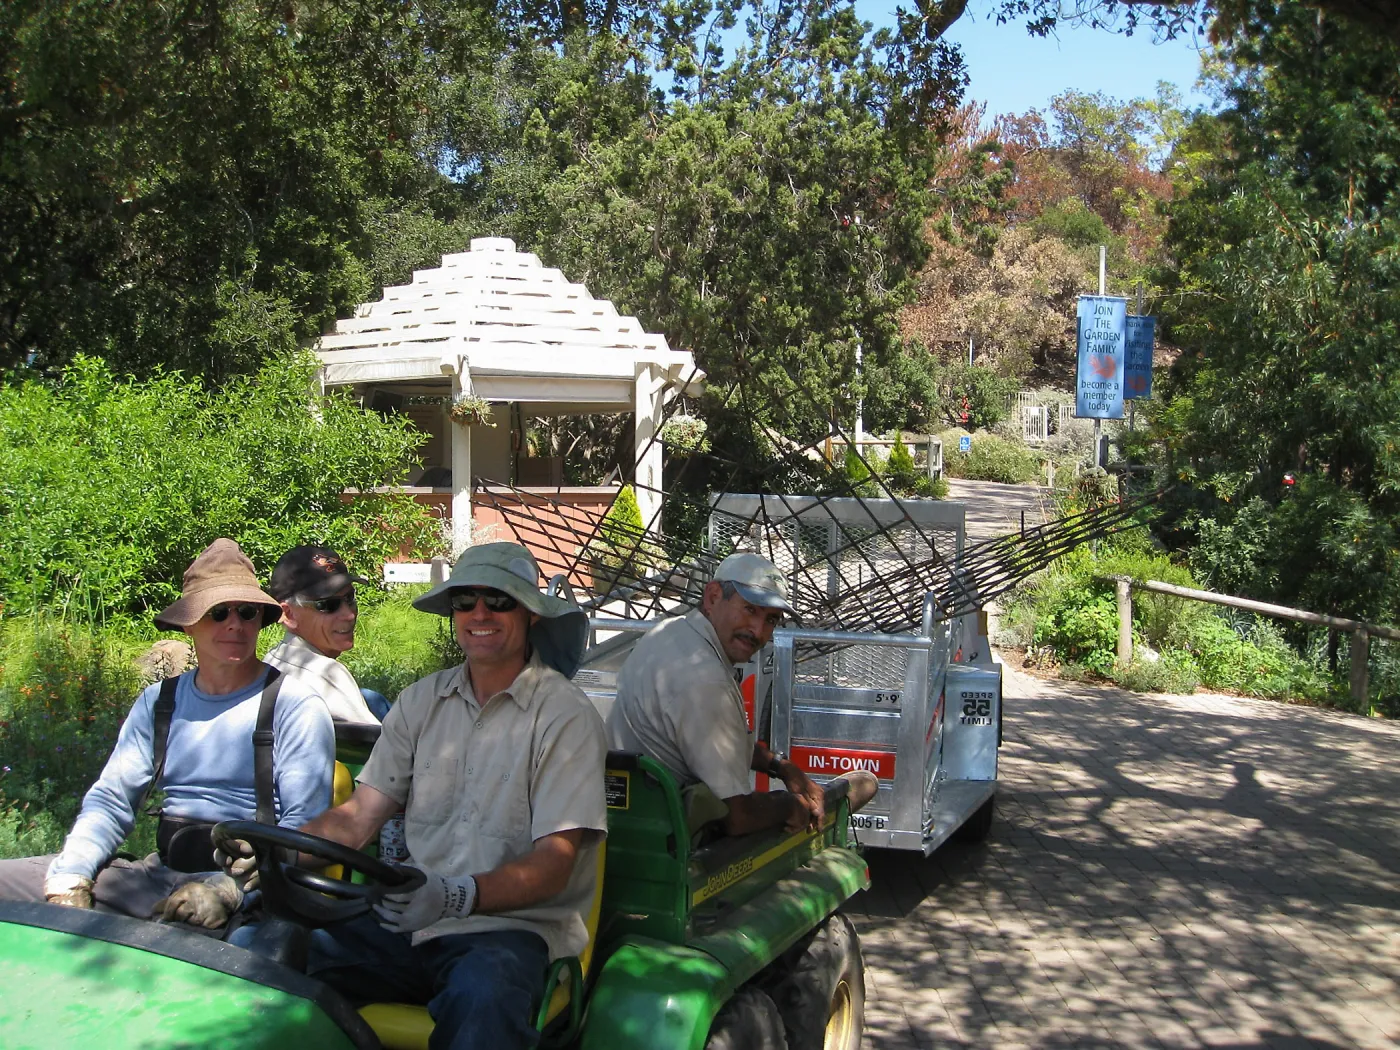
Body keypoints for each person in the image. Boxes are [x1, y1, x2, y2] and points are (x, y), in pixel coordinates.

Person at [222, 541, 606, 1050]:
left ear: (531, 614)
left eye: (499, 600)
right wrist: (271, 849)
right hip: (408, 921)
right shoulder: (422, 701)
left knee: (482, 1000)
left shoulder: (565, 717)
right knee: (261, 951)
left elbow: (554, 864)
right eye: (465, 600)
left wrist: (456, 895)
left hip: (511, 932)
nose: (480, 614)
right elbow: (360, 816)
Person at [0, 539, 336, 930]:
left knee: (193, 943)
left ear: (260, 618)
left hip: (248, 890)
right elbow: (112, 799)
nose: (235, 624)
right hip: (158, 875)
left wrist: (229, 889)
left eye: (246, 611)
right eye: (218, 612)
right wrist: (72, 875)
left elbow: (305, 828)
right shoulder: (160, 701)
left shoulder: (294, 705)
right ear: (189, 622)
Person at [608, 552, 875, 838]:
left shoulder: (669, 633)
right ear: (713, 597)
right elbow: (739, 817)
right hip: (668, 837)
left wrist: (780, 766)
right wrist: (789, 805)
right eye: (749, 610)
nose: (758, 631)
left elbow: (718, 745)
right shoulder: (706, 681)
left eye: (770, 619)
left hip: (629, 818)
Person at [263, 544, 387, 723]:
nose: (349, 615)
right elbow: (378, 740)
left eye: (349, 598)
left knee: (372, 698)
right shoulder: (326, 674)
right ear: (288, 615)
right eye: (327, 605)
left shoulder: (272, 661)